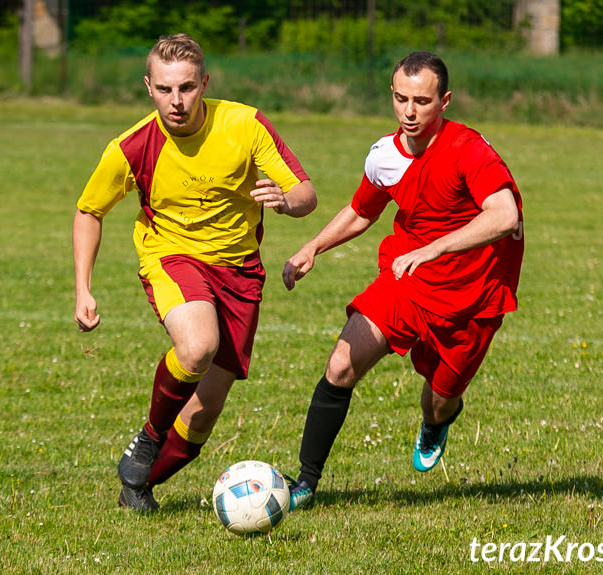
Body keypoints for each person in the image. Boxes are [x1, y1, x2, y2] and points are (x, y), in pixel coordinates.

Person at [72, 34, 316, 512]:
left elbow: (306, 192)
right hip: (172, 255)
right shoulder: (132, 146)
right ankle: (148, 437)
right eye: (164, 90)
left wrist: (287, 203)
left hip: (240, 270)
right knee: (198, 345)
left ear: (204, 82)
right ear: (148, 87)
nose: (176, 101)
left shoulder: (244, 125)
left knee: (204, 414)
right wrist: (83, 287)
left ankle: (137, 485)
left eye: (186, 87)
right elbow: (89, 211)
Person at [281, 51, 524, 509]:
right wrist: (311, 247)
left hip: (473, 296)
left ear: (445, 101)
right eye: (400, 99)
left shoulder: (468, 149)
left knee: (438, 401)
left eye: (422, 101)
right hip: (406, 280)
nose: (409, 111)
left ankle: (437, 421)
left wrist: (434, 247)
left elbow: (505, 213)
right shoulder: (384, 156)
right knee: (340, 365)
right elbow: (361, 210)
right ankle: (305, 484)